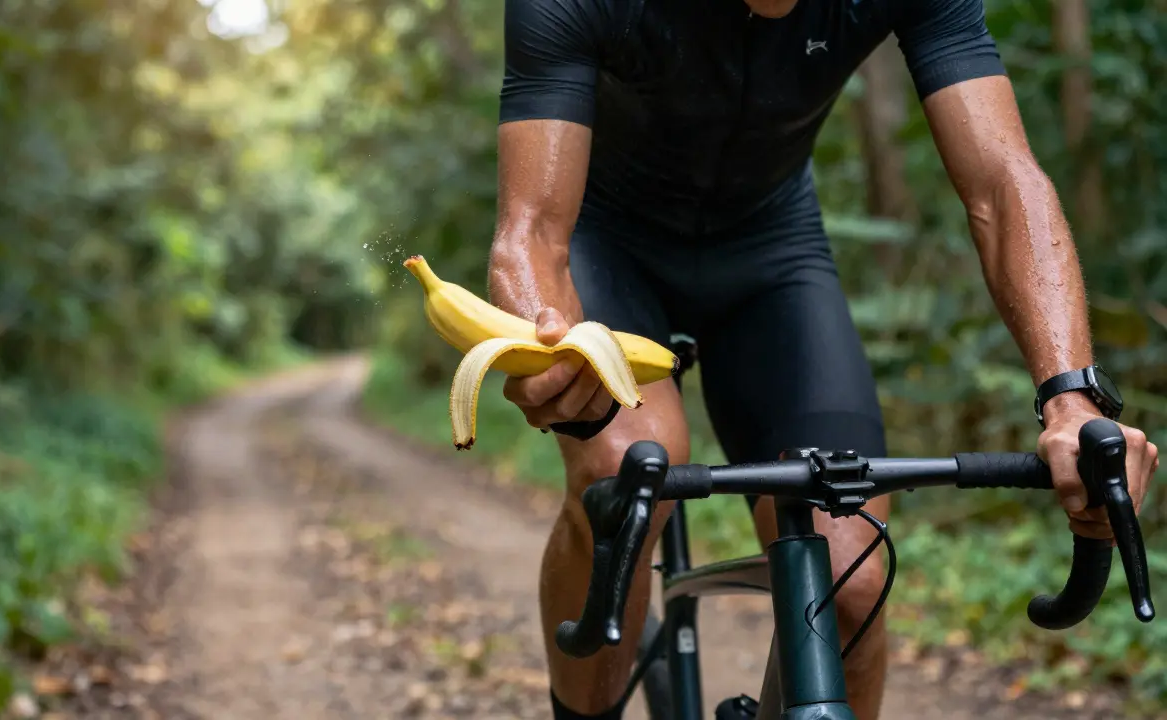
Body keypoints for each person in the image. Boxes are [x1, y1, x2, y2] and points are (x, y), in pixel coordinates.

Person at [485, 0, 1159, 717]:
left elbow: (1002, 180)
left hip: (770, 252)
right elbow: (531, 229)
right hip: (610, 246)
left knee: (850, 574)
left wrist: (1071, 396)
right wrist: (545, 337)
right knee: (619, 479)